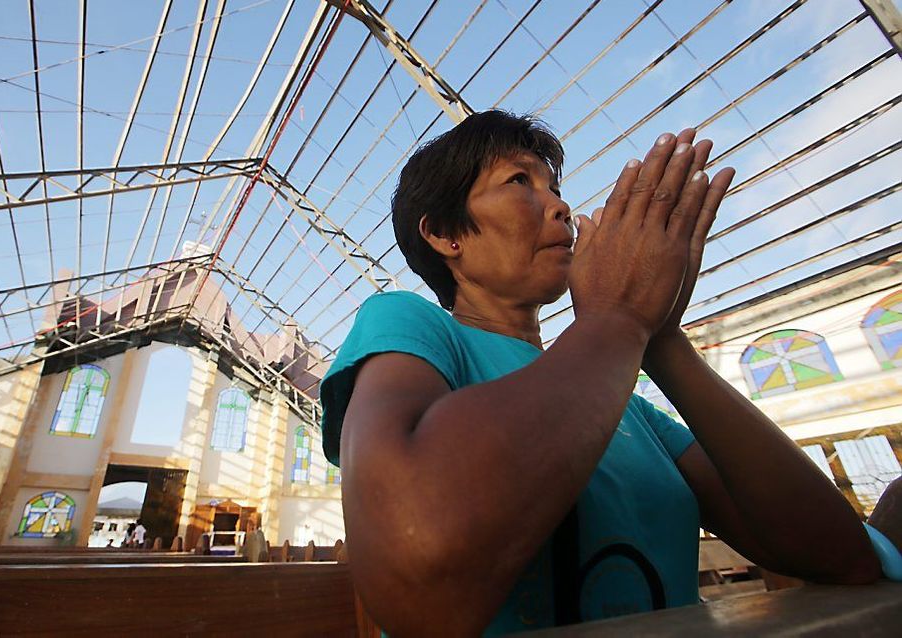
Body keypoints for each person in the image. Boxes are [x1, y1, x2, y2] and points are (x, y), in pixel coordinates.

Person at [319, 110, 885, 635]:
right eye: (520, 182)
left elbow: (841, 556)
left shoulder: (629, 404)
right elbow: (416, 572)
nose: (560, 207)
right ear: (447, 234)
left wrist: (661, 339)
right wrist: (618, 319)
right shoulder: (410, 324)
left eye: (556, 189)